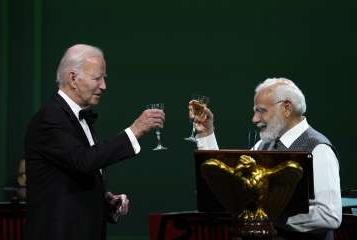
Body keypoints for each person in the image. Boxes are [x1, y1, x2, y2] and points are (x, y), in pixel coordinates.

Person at [24, 44, 165, 240]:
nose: (103, 86)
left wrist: (104, 201)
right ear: (73, 78)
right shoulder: (50, 117)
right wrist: (135, 130)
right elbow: (84, 161)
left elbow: (73, 176)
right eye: (97, 78)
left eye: (103, 78)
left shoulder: (77, 116)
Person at [190, 78, 342, 240]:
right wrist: (206, 133)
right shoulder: (263, 145)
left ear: (287, 108)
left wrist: (266, 216)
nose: (254, 119)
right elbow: (230, 185)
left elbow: (329, 215)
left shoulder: (319, 149)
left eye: (261, 110)